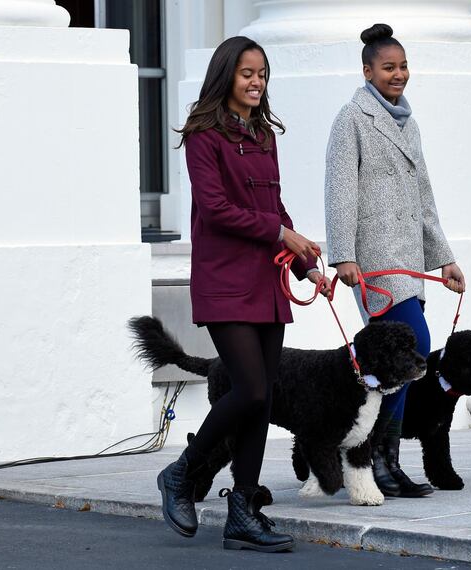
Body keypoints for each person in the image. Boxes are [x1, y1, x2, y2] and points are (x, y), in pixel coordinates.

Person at [157, 36, 331, 552]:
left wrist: (307, 267)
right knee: (251, 389)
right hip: (225, 282)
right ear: (225, 76)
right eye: (247, 73)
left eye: (262, 74)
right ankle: (182, 472)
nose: (256, 82)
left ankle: (244, 513)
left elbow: (277, 211)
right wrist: (282, 236)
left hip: (267, 283)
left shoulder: (263, 135)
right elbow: (215, 210)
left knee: (262, 401)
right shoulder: (202, 136)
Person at [324, 24, 465, 498]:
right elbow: (339, 190)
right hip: (374, 262)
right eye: (389, 67)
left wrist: (443, 258)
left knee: (398, 359)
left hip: (409, 260)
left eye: (403, 66)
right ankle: (374, 460)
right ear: (368, 71)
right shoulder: (352, 118)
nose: (399, 74)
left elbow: (424, 196)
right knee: (412, 348)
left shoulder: (410, 121)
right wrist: (343, 254)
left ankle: (385, 461)